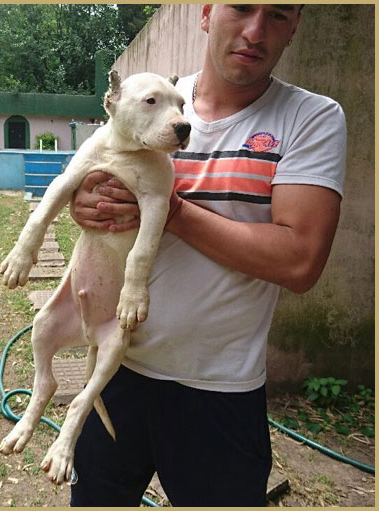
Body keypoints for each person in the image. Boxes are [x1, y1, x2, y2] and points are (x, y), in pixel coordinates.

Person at [68, 4, 346, 507]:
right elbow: (95, 179)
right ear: (206, 14)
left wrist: (172, 211)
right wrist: (85, 203)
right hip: (116, 367)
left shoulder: (311, 118)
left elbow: (300, 262)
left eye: (279, 15)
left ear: (295, 28)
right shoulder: (151, 96)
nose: (256, 31)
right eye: (240, 7)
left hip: (217, 386)